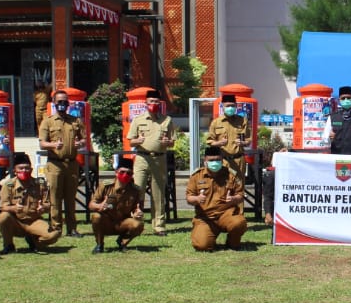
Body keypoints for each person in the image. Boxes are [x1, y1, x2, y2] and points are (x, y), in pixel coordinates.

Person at [37, 89, 86, 237]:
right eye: (59, 102)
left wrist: (80, 143)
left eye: (65, 101)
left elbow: (84, 138)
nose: (62, 104)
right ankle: (56, 227)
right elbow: (42, 143)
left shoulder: (75, 121)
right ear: (54, 103)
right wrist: (53, 146)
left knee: (71, 198)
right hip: (55, 164)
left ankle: (72, 228)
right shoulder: (48, 121)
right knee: (55, 198)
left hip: (71, 164)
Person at [128, 88, 176, 236]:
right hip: (142, 158)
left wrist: (168, 142)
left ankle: (159, 226)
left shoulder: (167, 120)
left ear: (160, 103)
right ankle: (134, 223)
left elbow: (172, 142)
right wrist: (138, 141)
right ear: (146, 103)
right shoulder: (138, 120)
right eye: (151, 102)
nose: (153, 104)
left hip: (159, 158)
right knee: (137, 191)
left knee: (158, 193)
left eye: (156, 101)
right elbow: (131, 142)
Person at [185, 145, 247, 251]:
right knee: (202, 245)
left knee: (239, 223)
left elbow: (240, 195)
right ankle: (209, 237)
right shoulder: (197, 176)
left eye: (218, 160)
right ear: (205, 160)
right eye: (211, 160)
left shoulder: (230, 175)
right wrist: (197, 199)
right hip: (205, 218)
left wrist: (233, 199)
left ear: (222, 160)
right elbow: (189, 197)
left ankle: (232, 242)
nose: (215, 163)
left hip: (226, 214)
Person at [0, 152, 61, 255]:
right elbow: (3, 206)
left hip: (34, 221)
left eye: (27, 168)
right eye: (21, 168)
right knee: (4, 216)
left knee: (54, 234)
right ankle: (8, 245)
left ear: (31, 170)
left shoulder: (39, 184)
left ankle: (34, 242)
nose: (24, 171)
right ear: (15, 170)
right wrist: (13, 208)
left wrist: (43, 207)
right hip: (16, 222)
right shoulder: (9, 185)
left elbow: (48, 204)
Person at [89, 155, 144, 253]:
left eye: (129, 173)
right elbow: (91, 204)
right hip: (107, 222)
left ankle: (122, 241)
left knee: (138, 224)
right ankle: (99, 244)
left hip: (122, 223)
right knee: (96, 216)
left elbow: (136, 208)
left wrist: (137, 213)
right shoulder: (106, 186)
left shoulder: (135, 190)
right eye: (122, 172)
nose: (125, 175)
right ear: (116, 172)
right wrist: (100, 206)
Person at [206, 93, 250, 184]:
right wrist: (220, 143)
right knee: (223, 186)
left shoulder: (242, 120)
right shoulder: (216, 122)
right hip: (223, 161)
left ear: (236, 106)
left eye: (233, 106)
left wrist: (243, 143)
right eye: (228, 106)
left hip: (238, 160)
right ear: (222, 107)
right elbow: (209, 141)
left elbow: (248, 140)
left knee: (239, 186)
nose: (230, 108)